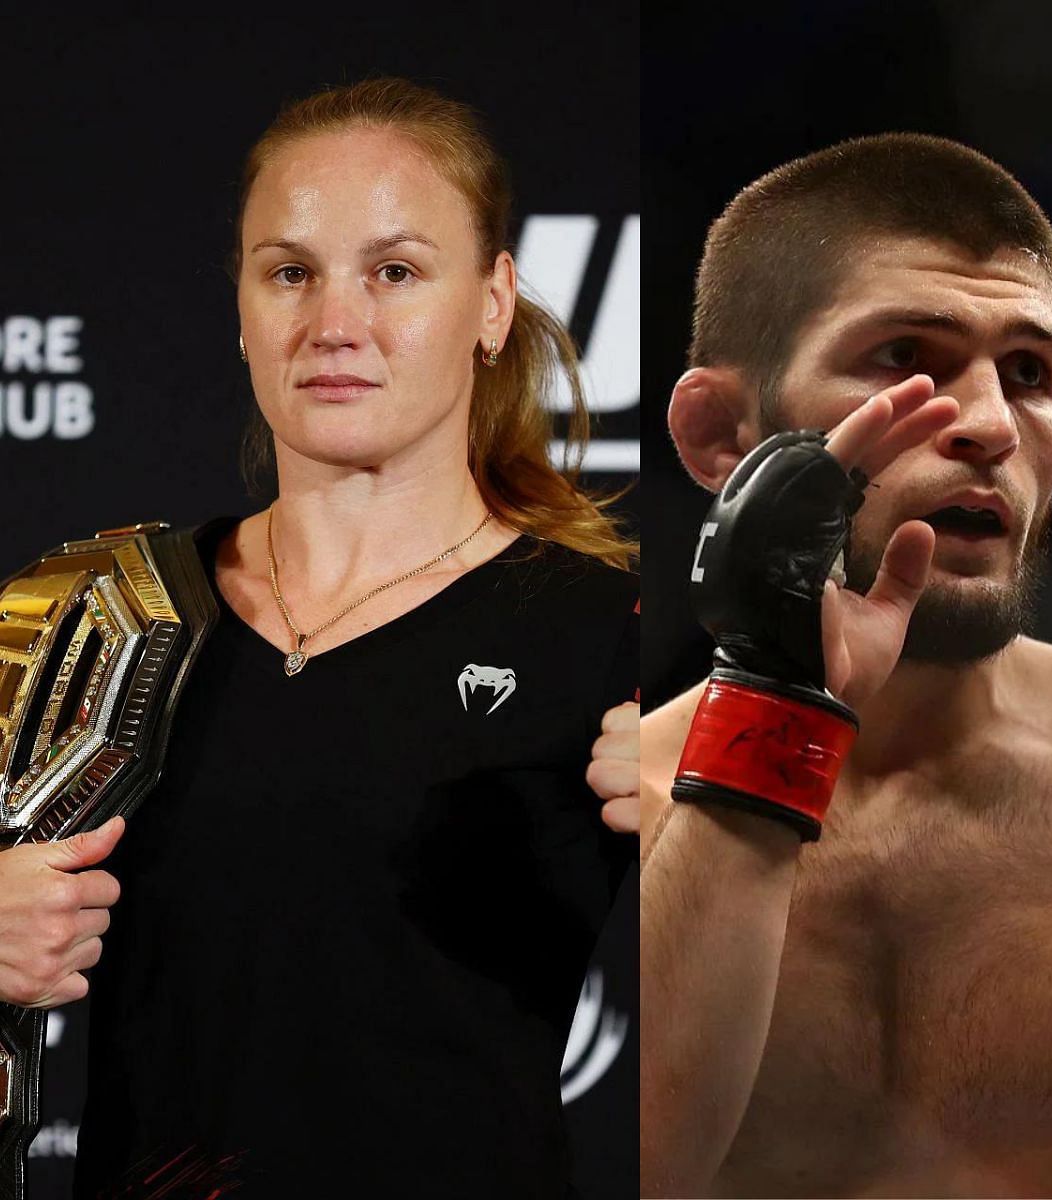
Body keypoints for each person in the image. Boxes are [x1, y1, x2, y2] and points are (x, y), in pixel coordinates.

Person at [588, 134, 1052, 1196]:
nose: (991, 426)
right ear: (721, 435)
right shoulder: (594, 817)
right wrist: (776, 700)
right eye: (907, 360)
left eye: (1030, 374)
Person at [71, 78, 641, 1199]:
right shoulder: (100, 615)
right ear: (240, 311)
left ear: (493, 303)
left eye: (394, 271)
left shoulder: (610, 634)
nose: (335, 325)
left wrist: (709, 841)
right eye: (291, 272)